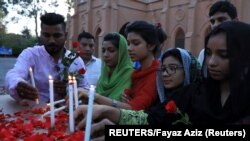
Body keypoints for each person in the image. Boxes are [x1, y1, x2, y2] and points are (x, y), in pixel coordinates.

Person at [74, 21, 250, 127]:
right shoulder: (194, 92)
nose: (211, 62)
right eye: (209, 53)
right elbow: (152, 119)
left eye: (223, 55)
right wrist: (110, 113)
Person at [5, 13, 89, 103]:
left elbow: (86, 90)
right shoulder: (31, 54)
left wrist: (68, 90)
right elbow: (14, 74)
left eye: (57, 36)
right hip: (35, 111)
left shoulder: (76, 60)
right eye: (47, 35)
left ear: (66, 35)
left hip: (67, 112)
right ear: (41, 34)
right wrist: (18, 84)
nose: (51, 40)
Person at [78, 32, 134, 102]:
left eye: (111, 50)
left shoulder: (131, 75)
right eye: (103, 50)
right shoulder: (104, 75)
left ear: (121, 52)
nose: (105, 55)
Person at [198, 0, 238, 65]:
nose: (215, 25)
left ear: (235, 21)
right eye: (212, 21)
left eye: (221, 19)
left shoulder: (244, 50)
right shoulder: (203, 54)